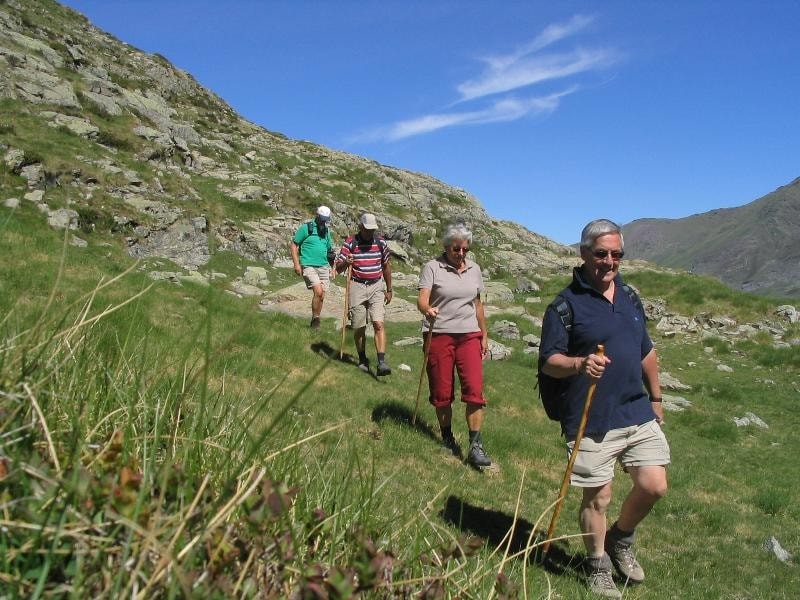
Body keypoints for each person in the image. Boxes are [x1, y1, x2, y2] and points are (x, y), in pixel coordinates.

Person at [539, 219, 669, 598]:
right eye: (601, 254)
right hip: (591, 415)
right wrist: (580, 364)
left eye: (616, 254)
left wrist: (656, 398)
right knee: (598, 498)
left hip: (636, 409)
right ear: (584, 254)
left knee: (654, 485)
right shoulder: (564, 306)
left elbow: (646, 351)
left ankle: (620, 538)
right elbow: (549, 362)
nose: (609, 261)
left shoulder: (629, 296)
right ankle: (597, 564)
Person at [416, 222, 491, 468]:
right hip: (439, 335)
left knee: (475, 390)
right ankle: (447, 435)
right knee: (442, 391)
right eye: (456, 249)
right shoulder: (432, 267)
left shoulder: (474, 269)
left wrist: (484, 334)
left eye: (465, 249)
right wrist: (427, 309)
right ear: (446, 246)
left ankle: (475, 445)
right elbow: (422, 299)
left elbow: (477, 304)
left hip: (469, 335)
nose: (461, 254)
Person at [336, 213, 393, 375]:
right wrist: (346, 262)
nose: (369, 232)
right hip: (357, 286)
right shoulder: (350, 243)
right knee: (359, 326)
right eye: (367, 229)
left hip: (376, 285)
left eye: (372, 229)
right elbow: (338, 268)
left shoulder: (380, 243)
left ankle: (381, 362)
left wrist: (389, 289)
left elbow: (386, 266)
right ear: (360, 227)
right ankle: (362, 359)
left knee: (378, 323)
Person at [290, 206, 334, 329]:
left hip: (324, 266)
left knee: (322, 295)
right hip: (308, 264)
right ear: (317, 215)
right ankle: (315, 318)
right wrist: (296, 264)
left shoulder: (326, 231)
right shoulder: (306, 228)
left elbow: (330, 251)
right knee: (318, 292)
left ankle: (316, 320)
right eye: (322, 219)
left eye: (326, 219)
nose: (323, 222)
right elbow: (294, 245)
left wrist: (333, 267)